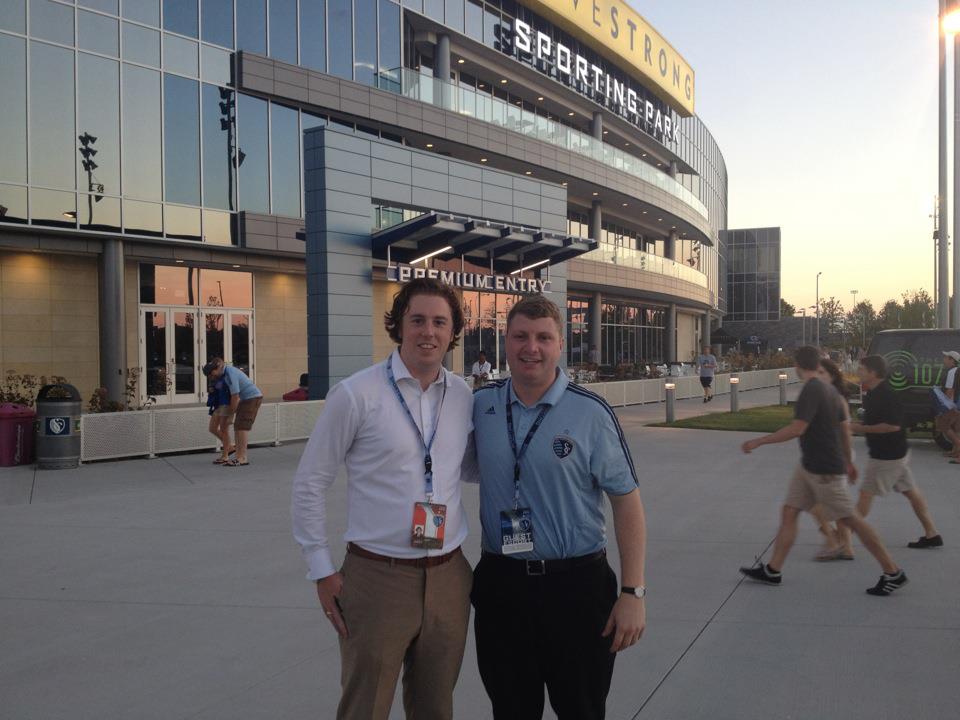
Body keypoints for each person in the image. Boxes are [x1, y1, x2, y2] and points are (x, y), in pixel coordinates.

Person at [291, 278, 474, 720]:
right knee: (365, 707)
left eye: (439, 322)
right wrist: (321, 569)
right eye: (417, 320)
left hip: (449, 574)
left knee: (436, 706)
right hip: (377, 577)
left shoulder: (464, 396)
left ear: (453, 331)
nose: (428, 332)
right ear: (398, 326)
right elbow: (310, 481)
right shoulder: (357, 394)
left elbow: (465, 468)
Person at [471, 295, 647, 720]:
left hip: (577, 588)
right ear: (506, 341)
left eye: (543, 337)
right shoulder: (480, 406)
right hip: (503, 586)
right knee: (510, 710)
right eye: (520, 336)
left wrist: (633, 592)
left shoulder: (591, 413)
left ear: (560, 344)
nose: (531, 347)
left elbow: (627, 503)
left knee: (581, 709)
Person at [739, 345, 909, 597]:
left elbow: (797, 428)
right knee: (789, 511)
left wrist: (759, 441)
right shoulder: (831, 390)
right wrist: (848, 461)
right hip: (810, 466)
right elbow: (844, 428)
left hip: (823, 469)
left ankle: (893, 572)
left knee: (852, 520)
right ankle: (773, 570)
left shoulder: (812, 390)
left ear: (797, 365)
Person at [846, 355, 943, 549]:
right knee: (911, 493)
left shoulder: (886, 394)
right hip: (895, 454)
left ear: (873, 373)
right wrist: (850, 425)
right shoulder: (873, 394)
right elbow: (874, 422)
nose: (858, 372)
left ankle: (842, 538)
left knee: (865, 496)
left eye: (862, 369)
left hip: (886, 456)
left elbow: (892, 426)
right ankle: (932, 534)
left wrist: (858, 429)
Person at [205, 358, 262, 467]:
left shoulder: (230, 374)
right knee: (238, 427)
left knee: (242, 427)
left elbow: (235, 396)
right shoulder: (225, 374)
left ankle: (242, 458)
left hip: (252, 398)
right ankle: (238, 456)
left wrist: (231, 413)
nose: (211, 376)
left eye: (211, 373)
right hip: (246, 399)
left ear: (217, 368)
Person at [204, 369, 234, 465]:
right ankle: (229, 446)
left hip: (225, 405)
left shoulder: (225, 378)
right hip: (218, 405)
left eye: (210, 374)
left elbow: (233, 394)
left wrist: (231, 413)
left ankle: (225, 455)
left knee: (224, 430)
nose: (209, 376)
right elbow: (215, 393)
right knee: (212, 428)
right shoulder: (215, 380)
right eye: (208, 375)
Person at [936, 350, 960, 459]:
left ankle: (958, 445)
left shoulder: (952, 372)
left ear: (952, 360)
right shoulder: (957, 370)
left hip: (952, 404)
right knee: (955, 427)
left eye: (946, 357)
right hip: (956, 403)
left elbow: (950, 390)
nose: (944, 359)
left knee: (943, 424)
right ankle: (955, 451)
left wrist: (945, 406)